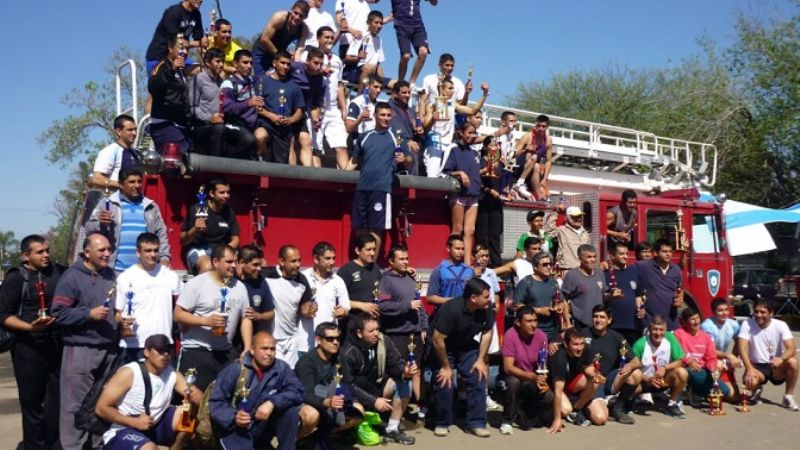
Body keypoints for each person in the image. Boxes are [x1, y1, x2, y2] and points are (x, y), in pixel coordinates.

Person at [52, 233, 119, 450]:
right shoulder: (71, 277)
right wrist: (88, 314)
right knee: (74, 407)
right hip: (80, 350)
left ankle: (98, 446)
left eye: (109, 249)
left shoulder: (110, 275)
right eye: (102, 250)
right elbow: (58, 313)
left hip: (108, 350)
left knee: (101, 404)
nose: (107, 254)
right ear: (87, 252)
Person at [0, 235, 64, 450]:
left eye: (47, 250)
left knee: (55, 403)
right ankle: (33, 446)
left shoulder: (58, 272)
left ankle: (53, 445)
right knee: (32, 405)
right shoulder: (17, 279)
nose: (46, 255)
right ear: (26, 256)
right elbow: (3, 315)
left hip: (55, 346)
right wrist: (29, 327)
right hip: (27, 349)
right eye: (39, 252)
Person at [209, 331, 318, 450]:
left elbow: (298, 391)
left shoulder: (281, 368)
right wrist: (234, 416)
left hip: (263, 426)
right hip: (235, 429)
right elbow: (216, 402)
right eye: (264, 349)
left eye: (272, 349)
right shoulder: (235, 369)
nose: (269, 353)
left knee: (291, 412)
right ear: (252, 349)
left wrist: (272, 402)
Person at [95, 334, 201, 450]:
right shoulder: (129, 372)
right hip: (125, 428)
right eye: (160, 351)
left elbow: (197, 396)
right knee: (149, 448)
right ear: (146, 352)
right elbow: (101, 408)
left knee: (187, 415)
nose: (165, 355)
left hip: (154, 425)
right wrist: (134, 422)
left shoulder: (171, 373)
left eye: (168, 351)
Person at [174, 244, 253, 392]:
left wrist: (247, 346)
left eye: (235, 261)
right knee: (191, 402)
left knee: (224, 401)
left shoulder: (240, 287)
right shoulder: (197, 284)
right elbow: (178, 314)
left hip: (225, 353)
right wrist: (204, 321)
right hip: (197, 352)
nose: (234, 266)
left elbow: (246, 318)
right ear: (215, 262)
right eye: (229, 262)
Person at [429, 278, 494, 437]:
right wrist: (446, 367)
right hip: (443, 346)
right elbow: (437, 339)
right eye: (485, 296)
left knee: (478, 376)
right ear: (473, 298)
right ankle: (442, 422)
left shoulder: (486, 308)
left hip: (466, 345)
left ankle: (476, 423)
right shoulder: (451, 309)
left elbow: (487, 332)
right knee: (445, 381)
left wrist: (480, 360)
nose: (489, 299)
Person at [343, 313, 417, 444]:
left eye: (377, 329)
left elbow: (395, 363)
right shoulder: (349, 352)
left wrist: (405, 371)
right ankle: (348, 430)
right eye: (371, 331)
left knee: (404, 383)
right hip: (355, 395)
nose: (376, 333)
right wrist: (374, 401)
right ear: (359, 333)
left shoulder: (384, 341)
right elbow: (348, 386)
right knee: (370, 438)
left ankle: (392, 429)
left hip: (376, 386)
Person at [85, 168, 171, 274]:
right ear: (121, 184)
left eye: (139, 181)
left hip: (144, 272)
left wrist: (164, 257)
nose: (137, 185)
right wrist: (100, 225)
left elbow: (161, 234)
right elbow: (88, 230)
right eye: (132, 182)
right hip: (114, 272)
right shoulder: (107, 204)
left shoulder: (151, 207)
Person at [115, 233, 181, 363]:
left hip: (163, 343)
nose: (153, 254)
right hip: (134, 344)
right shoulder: (125, 277)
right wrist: (123, 321)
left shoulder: (170, 275)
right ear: (138, 253)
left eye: (156, 250)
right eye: (148, 251)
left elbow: (182, 305)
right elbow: (117, 313)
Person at [295, 322, 364, 444]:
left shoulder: (339, 354)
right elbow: (306, 394)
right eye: (330, 339)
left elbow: (347, 382)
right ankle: (293, 441)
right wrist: (327, 402)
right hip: (304, 401)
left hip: (331, 397)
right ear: (318, 340)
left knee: (358, 411)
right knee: (312, 415)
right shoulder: (306, 362)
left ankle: (318, 438)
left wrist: (347, 399)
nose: (335, 342)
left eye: (338, 338)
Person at [377, 245, 428, 405]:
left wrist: (424, 326)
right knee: (399, 372)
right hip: (396, 334)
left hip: (416, 333)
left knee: (417, 370)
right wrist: (407, 306)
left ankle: (419, 407)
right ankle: (391, 408)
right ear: (391, 261)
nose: (406, 262)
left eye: (407, 258)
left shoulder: (411, 278)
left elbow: (419, 304)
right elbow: (382, 307)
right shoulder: (386, 280)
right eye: (401, 259)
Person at [351, 101, 408, 242]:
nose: (386, 118)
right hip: (362, 187)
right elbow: (353, 162)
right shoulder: (364, 137)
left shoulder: (397, 137)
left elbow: (409, 159)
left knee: (376, 229)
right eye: (382, 115)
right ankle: (361, 263)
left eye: (388, 115)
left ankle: (372, 264)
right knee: (360, 229)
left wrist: (404, 159)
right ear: (375, 115)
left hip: (381, 188)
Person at [581, 305, 642, 424]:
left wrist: (629, 366)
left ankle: (617, 408)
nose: (598, 320)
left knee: (636, 374)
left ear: (609, 320)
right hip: (590, 382)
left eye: (602, 317)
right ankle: (586, 404)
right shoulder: (583, 335)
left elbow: (636, 361)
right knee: (600, 419)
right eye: (595, 316)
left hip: (608, 380)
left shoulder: (616, 337)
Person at [189, 47, 252, 159]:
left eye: (222, 61)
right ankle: (216, 165)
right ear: (208, 63)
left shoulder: (223, 82)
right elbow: (192, 107)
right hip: (202, 126)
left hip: (221, 124)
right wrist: (209, 118)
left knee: (247, 139)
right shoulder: (198, 79)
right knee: (219, 129)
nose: (221, 65)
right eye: (217, 61)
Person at [499, 306, 554, 435]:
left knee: (549, 397)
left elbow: (542, 365)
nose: (533, 325)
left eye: (535, 320)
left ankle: (526, 413)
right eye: (529, 321)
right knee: (513, 383)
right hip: (513, 377)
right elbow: (508, 368)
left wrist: (542, 379)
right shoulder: (510, 335)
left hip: (532, 379)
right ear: (518, 323)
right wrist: (532, 377)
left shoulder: (541, 336)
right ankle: (507, 421)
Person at [737, 299, 799, 411]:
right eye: (756, 312)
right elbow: (742, 347)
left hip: (775, 365)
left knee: (793, 362)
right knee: (750, 381)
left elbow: (792, 348)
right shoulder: (747, 323)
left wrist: (781, 358)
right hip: (756, 366)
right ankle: (756, 389)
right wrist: (749, 368)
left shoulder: (780, 325)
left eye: (763, 312)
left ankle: (788, 397)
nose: (758, 315)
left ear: (771, 313)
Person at [421, 78, 489, 178]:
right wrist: (433, 119)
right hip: (434, 144)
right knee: (433, 175)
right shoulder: (431, 105)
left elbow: (472, 111)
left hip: (448, 145)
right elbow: (425, 128)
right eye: (450, 88)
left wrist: (484, 94)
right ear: (442, 89)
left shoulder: (452, 104)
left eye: (453, 88)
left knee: (444, 175)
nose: (452, 91)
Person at [547, 328, 607, 433]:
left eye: (581, 343)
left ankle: (576, 410)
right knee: (565, 410)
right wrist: (557, 419)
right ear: (566, 344)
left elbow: (587, 367)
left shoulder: (586, 349)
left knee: (601, 419)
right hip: (554, 386)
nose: (579, 348)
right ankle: (570, 411)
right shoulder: (559, 358)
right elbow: (558, 392)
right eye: (575, 344)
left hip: (571, 384)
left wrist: (595, 375)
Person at [441, 122, 484, 266]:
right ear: (461, 133)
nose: (472, 136)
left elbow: (479, 171)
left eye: (474, 133)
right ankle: (452, 262)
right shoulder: (453, 149)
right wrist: (459, 173)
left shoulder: (475, 153)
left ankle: (467, 264)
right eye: (469, 133)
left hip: (473, 195)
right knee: (457, 229)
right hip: (459, 194)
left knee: (470, 231)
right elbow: (445, 172)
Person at [264, 245, 314, 368]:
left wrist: (309, 311)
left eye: (299, 260)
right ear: (281, 261)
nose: (298, 265)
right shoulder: (265, 276)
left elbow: (304, 310)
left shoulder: (302, 281)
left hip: (291, 340)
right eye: (293, 261)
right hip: (270, 339)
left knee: (288, 377)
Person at [630, 315, 688, 418]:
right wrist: (646, 378)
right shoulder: (640, 344)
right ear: (649, 330)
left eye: (661, 330)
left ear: (666, 330)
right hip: (644, 381)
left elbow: (679, 361)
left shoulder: (670, 339)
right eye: (655, 330)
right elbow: (631, 368)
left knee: (682, 372)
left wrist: (665, 367)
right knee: (630, 383)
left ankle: (672, 404)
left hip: (663, 381)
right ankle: (627, 402)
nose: (658, 333)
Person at [300, 242, 351, 354]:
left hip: (329, 342)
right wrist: (306, 310)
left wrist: (342, 312)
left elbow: (346, 307)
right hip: (305, 342)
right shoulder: (302, 278)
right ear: (316, 259)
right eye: (327, 258)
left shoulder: (338, 281)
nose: (332, 262)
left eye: (333, 258)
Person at [180, 178, 240, 274]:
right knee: (208, 266)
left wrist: (224, 252)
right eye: (222, 192)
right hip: (199, 249)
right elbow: (182, 241)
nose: (226, 195)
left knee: (243, 267)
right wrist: (195, 229)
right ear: (212, 194)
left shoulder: (229, 212)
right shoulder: (197, 209)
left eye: (228, 192)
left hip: (222, 250)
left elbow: (235, 239)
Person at [312, 26, 352, 170]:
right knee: (315, 148)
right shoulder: (310, 56)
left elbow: (339, 85)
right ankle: (315, 182)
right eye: (326, 37)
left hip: (333, 109)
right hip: (316, 108)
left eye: (331, 37)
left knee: (341, 146)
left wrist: (344, 108)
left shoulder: (336, 60)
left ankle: (347, 181)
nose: (329, 40)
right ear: (318, 38)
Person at [674, 307, 732, 402]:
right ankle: (694, 391)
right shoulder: (678, 334)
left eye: (697, 318)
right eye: (692, 319)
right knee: (704, 384)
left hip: (703, 369)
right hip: (687, 367)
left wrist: (713, 369)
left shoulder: (705, 336)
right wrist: (688, 361)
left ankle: (695, 392)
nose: (696, 322)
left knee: (725, 391)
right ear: (685, 322)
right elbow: (677, 353)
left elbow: (711, 357)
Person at [219, 49, 268, 159]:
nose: (249, 66)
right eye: (245, 62)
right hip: (233, 123)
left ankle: (261, 167)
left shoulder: (253, 81)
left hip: (252, 125)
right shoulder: (228, 84)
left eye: (251, 63)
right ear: (235, 64)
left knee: (266, 136)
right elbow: (226, 108)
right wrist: (248, 103)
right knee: (248, 139)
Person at [259, 50, 306, 164]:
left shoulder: (294, 87)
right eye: (282, 63)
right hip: (266, 125)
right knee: (260, 136)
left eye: (288, 64)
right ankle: (261, 164)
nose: (285, 66)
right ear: (274, 63)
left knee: (282, 163)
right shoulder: (262, 82)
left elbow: (299, 111)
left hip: (284, 130)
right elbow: (256, 107)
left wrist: (291, 120)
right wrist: (272, 116)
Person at [148, 34, 191, 158]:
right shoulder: (161, 66)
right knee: (174, 161)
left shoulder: (182, 71)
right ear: (170, 48)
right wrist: (171, 70)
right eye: (181, 47)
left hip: (180, 125)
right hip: (164, 124)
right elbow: (153, 87)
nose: (184, 52)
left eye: (186, 49)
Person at [513, 251, 564, 342]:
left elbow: (561, 302)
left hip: (552, 331)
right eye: (545, 264)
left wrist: (559, 307)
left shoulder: (554, 282)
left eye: (550, 264)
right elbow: (516, 306)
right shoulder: (526, 282)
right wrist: (538, 310)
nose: (549, 267)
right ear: (535, 267)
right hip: (532, 331)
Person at [145, 0, 205, 76]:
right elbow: (177, 42)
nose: (200, 0)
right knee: (167, 80)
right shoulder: (173, 12)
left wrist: (207, 55)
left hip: (180, 58)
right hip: (159, 58)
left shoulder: (196, 15)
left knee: (203, 71)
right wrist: (198, 44)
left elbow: (199, 38)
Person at [252, 1, 311, 76]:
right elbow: (264, 39)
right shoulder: (280, 17)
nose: (297, 17)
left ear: (305, 17)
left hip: (280, 57)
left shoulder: (304, 30)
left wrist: (297, 66)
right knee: (260, 82)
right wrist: (279, 55)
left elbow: (299, 50)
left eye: (301, 16)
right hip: (262, 53)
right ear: (291, 10)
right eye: (295, 13)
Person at [289, 48, 326, 167]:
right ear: (307, 61)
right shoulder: (294, 67)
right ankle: (291, 174)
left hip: (301, 112)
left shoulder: (321, 82)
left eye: (321, 64)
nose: (319, 66)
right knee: (291, 141)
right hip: (284, 108)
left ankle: (306, 173)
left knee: (307, 141)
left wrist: (315, 119)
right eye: (315, 63)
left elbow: (315, 105)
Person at [636, 239, 683, 330]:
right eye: (664, 251)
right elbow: (624, 270)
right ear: (655, 253)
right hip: (650, 322)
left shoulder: (676, 269)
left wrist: (680, 299)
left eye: (670, 251)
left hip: (671, 322)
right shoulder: (643, 266)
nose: (668, 254)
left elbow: (680, 288)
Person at [336, 232, 383, 324]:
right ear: (358, 250)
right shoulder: (346, 270)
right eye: (368, 250)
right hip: (353, 323)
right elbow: (337, 299)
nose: (372, 253)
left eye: (374, 249)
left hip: (372, 323)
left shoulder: (376, 268)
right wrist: (361, 306)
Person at [561, 244, 609, 330]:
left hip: (598, 322)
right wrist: (567, 323)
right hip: (581, 323)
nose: (592, 260)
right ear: (580, 259)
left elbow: (603, 295)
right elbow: (564, 299)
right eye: (589, 257)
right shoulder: (572, 275)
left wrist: (612, 295)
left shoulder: (600, 273)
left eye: (594, 256)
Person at [604, 242, 645, 344]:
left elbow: (638, 295)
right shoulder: (605, 273)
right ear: (613, 255)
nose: (626, 256)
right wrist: (610, 296)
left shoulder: (633, 271)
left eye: (627, 253)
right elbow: (601, 297)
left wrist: (641, 309)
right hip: (613, 325)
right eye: (621, 254)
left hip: (632, 325)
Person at [390, 0, 436, 85]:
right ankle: (400, 83)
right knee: (406, 56)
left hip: (417, 26)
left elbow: (434, 3)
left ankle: (412, 83)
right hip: (402, 25)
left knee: (423, 52)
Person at [90, 114, 140, 190]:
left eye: (135, 129)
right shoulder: (110, 151)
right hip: (116, 199)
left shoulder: (136, 153)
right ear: (118, 131)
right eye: (130, 130)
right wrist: (121, 185)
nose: (134, 133)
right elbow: (96, 179)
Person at [425, 234, 475, 307]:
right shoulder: (439, 270)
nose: (461, 252)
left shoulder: (469, 271)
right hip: (445, 313)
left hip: (464, 314)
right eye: (457, 248)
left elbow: (472, 293)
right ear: (448, 248)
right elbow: (430, 298)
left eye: (463, 249)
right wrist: (451, 301)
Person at [701, 298, 742, 386]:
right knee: (718, 364)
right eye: (720, 310)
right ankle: (701, 389)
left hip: (722, 357)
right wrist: (728, 356)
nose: (724, 313)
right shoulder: (707, 326)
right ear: (713, 312)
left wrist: (733, 359)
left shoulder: (734, 324)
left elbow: (739, 342)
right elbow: (710, 351)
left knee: (734, 397)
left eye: (726, 310)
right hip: (706, 358)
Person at [476, 137, 504, 266]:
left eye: (497, 145)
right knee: (482, 234)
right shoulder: (480, 162)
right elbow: (476, 181)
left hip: (497, 202)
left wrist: (506, 192)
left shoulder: (501, 164)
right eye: (492, 145)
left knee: (495, 234)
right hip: (483, 200)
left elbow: (504, 182)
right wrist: (489, 190)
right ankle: (482, 263)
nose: (495, 147)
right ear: (486, 147)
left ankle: (496, 264)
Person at [236, 245, 276, 333]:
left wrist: (258, 316)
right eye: (255, 265)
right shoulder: (231, 279)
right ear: (242, 262)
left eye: (260, 265)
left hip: (252, 338)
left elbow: (271, 313)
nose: (259, 268)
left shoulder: (261, 282)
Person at [513, 115, 553, 200]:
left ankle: (538, 195)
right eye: (539, 126)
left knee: (537, 166)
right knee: (533, 157)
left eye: (543, 126)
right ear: (535, 125)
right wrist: (525, 150)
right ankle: (519, 183)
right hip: (520, 167)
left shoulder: (548, 140)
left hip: (533, 169)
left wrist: (545, 179)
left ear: (547, 127)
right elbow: (513, 154)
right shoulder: (528, 136)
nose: (541, 128)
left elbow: (548, 161)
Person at [389, 80, 424, 175]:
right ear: (395, 94)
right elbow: (396, 129)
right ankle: (412, 185)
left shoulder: (411, 111)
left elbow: (417, 131)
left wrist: (419, 131)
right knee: (411, 151)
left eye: (409, 92)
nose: (407, 95)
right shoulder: (389, 108)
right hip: (396, 141)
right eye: (404, 92)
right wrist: (408, 141)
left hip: (412, 142)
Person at [343, 10, 387, 85]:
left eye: (381, 23)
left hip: (371, 74)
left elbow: (378, 64)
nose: (379, 26)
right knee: (369, 68)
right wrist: (358, 58)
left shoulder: (379, 39)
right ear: (368, 23)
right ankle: (360, 95)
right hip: (354, 72)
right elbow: (346, 58)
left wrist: (384, 81)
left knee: (397, 84)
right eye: (376, 22)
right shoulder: (360, 35)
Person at [554, 206, 590, 271]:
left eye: (580, 216)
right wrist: (555, 212)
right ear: (568, 218)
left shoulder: (585, 233)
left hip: (583, 269)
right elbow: (549, 231)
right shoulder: (561, 230)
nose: (579, 219)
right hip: (567, 269)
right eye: (575, 217)